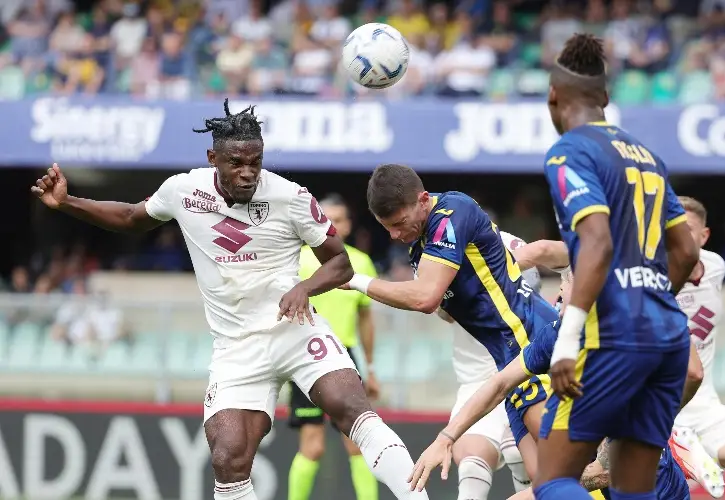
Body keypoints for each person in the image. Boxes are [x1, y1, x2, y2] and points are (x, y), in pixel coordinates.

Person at [30, 99, 429, 500]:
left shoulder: (291, 197)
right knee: (228, 458)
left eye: (255, 162)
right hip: (236, 346)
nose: (247, 173)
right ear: (212, 157)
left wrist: (303, 288)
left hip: (294, 330)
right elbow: (132, 217)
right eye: (236, 162)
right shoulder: (183, 190)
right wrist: (67, 202)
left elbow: (340, 264)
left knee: (353, 409)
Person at [533, 34, 699, 500]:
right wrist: (650, 297)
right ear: (605, 98)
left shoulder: (570, 151)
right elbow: (686, 252)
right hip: (667, 338)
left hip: (612, 336)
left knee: (552, 481)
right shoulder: (648, 158)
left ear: (553, 96)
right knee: (631, 488)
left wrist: (566, 342)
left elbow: (597, 243)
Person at [345, 163, 566, 491]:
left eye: (399, 224)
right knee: (547, 482)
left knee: (561, 479)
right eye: (386, 228)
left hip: (534, 347)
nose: (394, 235)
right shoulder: (421, 246)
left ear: (422, 200)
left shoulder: (452, 212)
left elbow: (425, 298)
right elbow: (442, 307)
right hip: (508, 361)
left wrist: (355, 281)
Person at [410, 279, 690, 500]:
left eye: (563, 287)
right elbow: (499, 384)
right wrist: (445, 438)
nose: (556, 298)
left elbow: (602, 472)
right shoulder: (555, 338)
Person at [436, 233, 569, 499]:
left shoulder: (509, 247)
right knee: (473, 466)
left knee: (531, 463)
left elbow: (555, 254)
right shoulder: (437, 251)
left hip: (525, 374)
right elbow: (439, 308)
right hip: (483, 380)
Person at [288, 194, 380, 500]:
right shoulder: (296, 259)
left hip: (346, 359)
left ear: (349, 224)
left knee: (358, 443)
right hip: (305, 357)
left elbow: (365, 319)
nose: (334, 226)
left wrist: (372, 367)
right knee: (312, 447)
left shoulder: (362, 261)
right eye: (328, 219)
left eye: (339, 219)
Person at [672, 196, 725, 500]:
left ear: (704, 236)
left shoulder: (715, 266)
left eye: (686, 228)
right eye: (670, 227)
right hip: (656, 411)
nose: (677, 235)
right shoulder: (644, 274)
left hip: (704, 409)